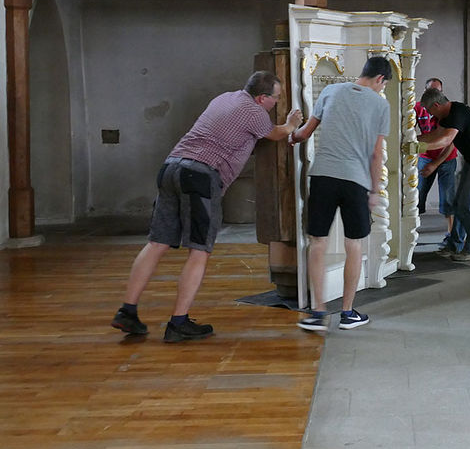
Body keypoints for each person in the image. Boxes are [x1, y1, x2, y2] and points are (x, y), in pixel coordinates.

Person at [111, 71, 303, 343]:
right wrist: (291, 122)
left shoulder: (225, 98)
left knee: (156, 244)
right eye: (276, 98)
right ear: (262, 98)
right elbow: (277, 134)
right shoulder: (255, 112)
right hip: (200, 176)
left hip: (171, 168)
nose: (276, 102)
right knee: (199, 251)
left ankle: (127, 311)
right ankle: (178, 323)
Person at [290, 56, 391, 332]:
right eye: (383, 85)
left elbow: (305, 133)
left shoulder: (330, 91)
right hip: (355, 182)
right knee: (354, 245)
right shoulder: (381, 105)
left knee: (317, 242)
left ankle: (317, 313)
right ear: (380, 79)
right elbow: (376, 153)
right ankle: (347, 313)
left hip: (323, 176)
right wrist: (374, 189)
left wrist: (289, 132)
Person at [419, 88, 470, 261]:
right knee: (459, 202)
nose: (429, 114)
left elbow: (446, 140)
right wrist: (414, 139)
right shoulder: (447, 117)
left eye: (429, 110)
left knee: (467, 203)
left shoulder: (457, 113)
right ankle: (454, 244)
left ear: (436, 105)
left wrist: (417, 147)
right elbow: (436, 135)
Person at [414, 77, 457, 233]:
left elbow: (450, 141)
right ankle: (410, 233)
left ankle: (451, 234)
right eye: (431, 91)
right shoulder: (418, 108)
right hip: (426, 156)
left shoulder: (447, 110)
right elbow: (407, 128)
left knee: (447, 197)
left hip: (447, 157)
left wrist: (436, 163)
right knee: (417, 194)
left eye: (438, 92)